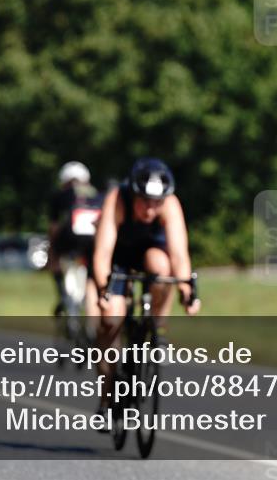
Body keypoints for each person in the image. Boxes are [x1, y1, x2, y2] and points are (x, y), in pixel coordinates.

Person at [91, 158, 200, 417]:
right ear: (133, 194)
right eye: (144, 202)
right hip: (118, 258)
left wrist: (187, 291)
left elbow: (179, 255)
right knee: (111, 319)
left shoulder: (170, 204)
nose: (150, 210)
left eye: (156, 203)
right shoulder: (117, 199)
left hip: (150, 255)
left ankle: (157, 327)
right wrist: (104, 291)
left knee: (163, 267)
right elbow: (102, 253)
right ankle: (107, 397)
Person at [46, 161, 100, 317]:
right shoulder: (96, 194)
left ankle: (63, 296)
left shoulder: (60, 195)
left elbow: (53, 227)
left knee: (54, 260)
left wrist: (52, 251)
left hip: (68, 243)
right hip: (92, 243)